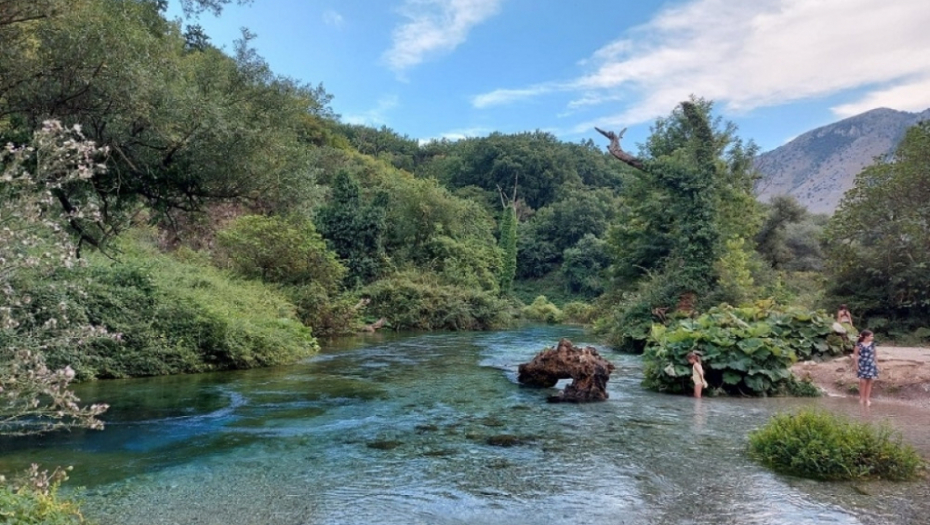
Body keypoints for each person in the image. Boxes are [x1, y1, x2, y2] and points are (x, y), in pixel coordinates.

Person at [853, 330, 878, 406]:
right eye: (871, 336)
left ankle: (867, 399)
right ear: (866, 337)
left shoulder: (872, 344)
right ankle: (861, 398)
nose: (872, 337)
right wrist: (856, 365)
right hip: (862, 365)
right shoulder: (859, 344)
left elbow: (875, 355)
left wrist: (876, 365)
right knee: (862, 382)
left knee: (869, 382)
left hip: (870, 365)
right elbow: (855, 356)